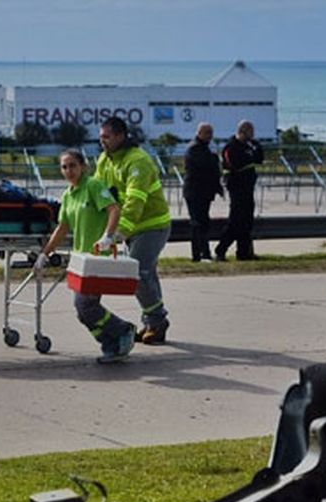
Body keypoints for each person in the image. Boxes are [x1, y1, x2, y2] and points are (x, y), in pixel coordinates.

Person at [36, 148, 135, 364]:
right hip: (82, 260)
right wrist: (45, 253)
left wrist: (108, 236)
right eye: (64, 166)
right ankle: (111, 345)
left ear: (83, 167)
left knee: (85, 305)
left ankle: (123, 330)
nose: (69, 170)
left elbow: (114, 209)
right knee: (83, 310)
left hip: (99, 257)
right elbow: (62, 228)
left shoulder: (93, 186)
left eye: (73, 165)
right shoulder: (68, 195)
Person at [95, 115, 172, 345]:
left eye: (107, 137)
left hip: (152, 225)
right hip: (133, 228)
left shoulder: (138, 161)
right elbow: (100, 194)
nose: (103, 141)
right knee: (147, 274)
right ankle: (153, 324)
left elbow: (134, 202)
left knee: (138, 273)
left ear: (121, 136)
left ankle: (157, 321)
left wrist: (117, 234)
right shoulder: (104, 160)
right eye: (101, 137)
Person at [215, 119, 264, 262]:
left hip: (248, 188)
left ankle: (243, 252)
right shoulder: (231, 147)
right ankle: (221, 249)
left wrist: (255, 149)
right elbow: (236, 164)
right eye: (251, 132)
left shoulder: (249, 145)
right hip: (237, 188)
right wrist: (250, 158)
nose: (253, 135)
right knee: (236, 221)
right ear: (243, 131)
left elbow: (259, 158)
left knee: (247, 222)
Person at [182, 122, 223, 262]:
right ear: (199, 133)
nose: (209, 136)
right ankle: (199, 254)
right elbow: (204, 167)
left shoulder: (204, 148)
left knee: (203, 222)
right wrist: (214, 159)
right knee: (197, 223)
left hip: (203, 192)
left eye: (210, 133)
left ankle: (204, 253)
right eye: (206, 133)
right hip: (195, 192)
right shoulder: (194, 148)